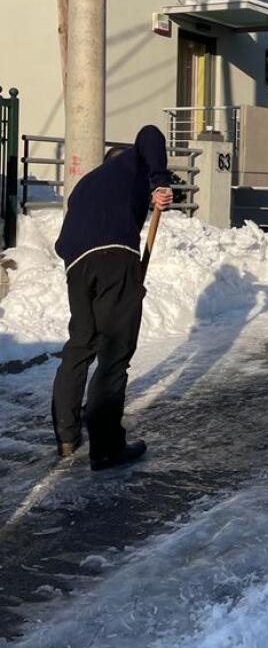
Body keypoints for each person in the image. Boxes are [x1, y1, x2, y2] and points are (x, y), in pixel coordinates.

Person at [52, 126, 173, 471]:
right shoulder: (129, 162)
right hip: (114, 256)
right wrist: (159, 181)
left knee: (80, 344)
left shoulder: (85, 186)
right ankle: (105, 447)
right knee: (114, 353)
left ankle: (66, 435)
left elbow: (65, 241)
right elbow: (151, 133)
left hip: (76, 264)